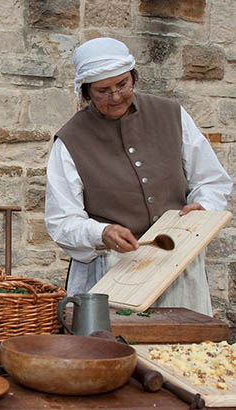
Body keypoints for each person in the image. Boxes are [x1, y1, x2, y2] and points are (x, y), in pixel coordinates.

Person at [44, 37, 232, 315]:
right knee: (113, 352)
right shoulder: (70, 140)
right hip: (112, 272)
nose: (116, 96)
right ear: (85, 92)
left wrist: (203, 206)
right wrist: (102, 232)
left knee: (181, 353)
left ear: (133, 76)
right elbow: (62, 221)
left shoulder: (171, 114)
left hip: (177, 263)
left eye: (123, 84)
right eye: (103, 91)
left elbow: (211, 179)